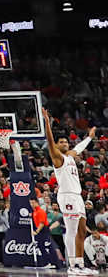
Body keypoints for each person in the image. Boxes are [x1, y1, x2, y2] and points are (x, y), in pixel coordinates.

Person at [43, 108, 97, 275]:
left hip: (77, 196)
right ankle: (72, 265)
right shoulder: (57, 158)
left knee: (82, 230)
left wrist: (90, 137)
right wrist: (47, 123)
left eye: (66, 142)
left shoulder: (70, 156)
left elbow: (79, 147)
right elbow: (50, 142)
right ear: (57, 146)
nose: (65, 144)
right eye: (61, 142)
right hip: (67, 196)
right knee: (72, 230)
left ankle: (80, 264)